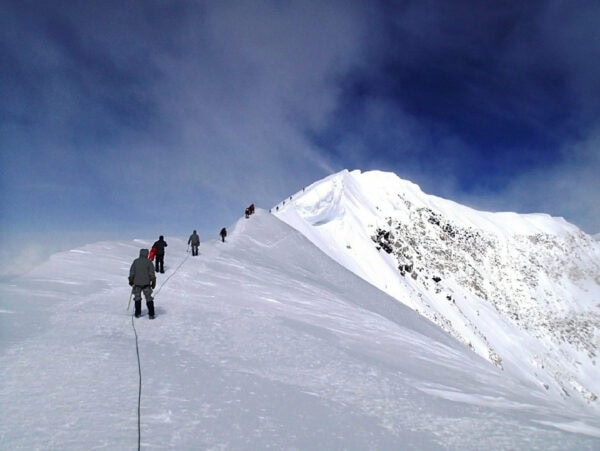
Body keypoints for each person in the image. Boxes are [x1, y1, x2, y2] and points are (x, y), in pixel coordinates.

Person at [129, 248, 156, 319]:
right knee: (149, 298)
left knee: (137, 298)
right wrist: (153, 281)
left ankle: (137, 313)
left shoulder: (135, 261)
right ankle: (151, 314)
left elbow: (132, 271)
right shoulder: (149, 262)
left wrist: (131, 279)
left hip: (137, 283)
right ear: (147, 254)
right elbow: (151, 273)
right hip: (146, 284)